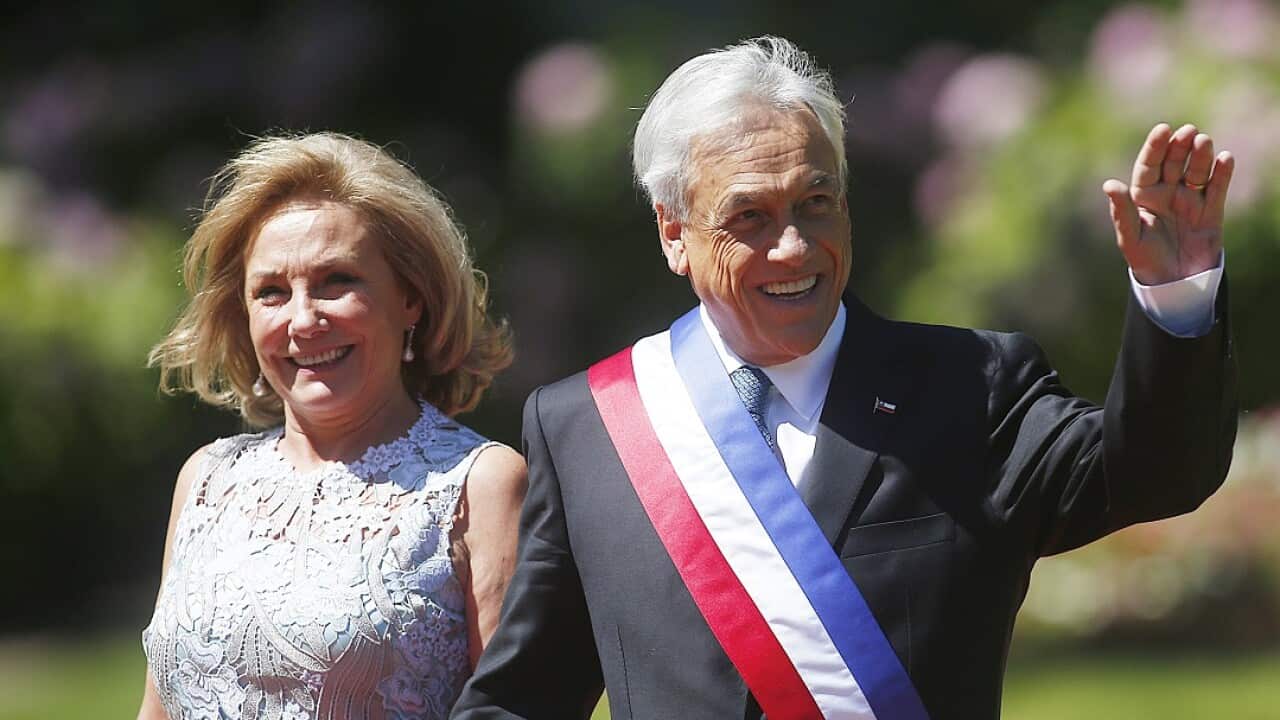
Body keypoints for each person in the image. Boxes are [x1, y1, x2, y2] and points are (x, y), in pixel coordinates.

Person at [451, 37, 1236, 720]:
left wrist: (1177, 296)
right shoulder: (590, 424)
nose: (793, 247)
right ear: (673, 234)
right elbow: (528, 696)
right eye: (749, 217)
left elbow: (1161, 473)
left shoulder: (974, 386)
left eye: (815, 202)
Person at [137, 132, 527, 720]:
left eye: (336, 281)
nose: (303, 319)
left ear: (411, 298)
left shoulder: (481, 485)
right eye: (271, 291)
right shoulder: (206, 480)